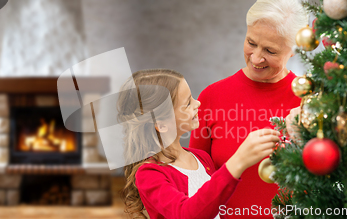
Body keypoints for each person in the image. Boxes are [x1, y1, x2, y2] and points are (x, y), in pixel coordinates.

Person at [189, 0, 308, 218]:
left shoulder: (310, 102)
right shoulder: (212, 97)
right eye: (251, 42)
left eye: (270, 50)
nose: (256, 58)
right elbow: (196, 182)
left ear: (293, 50)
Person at [120, 69, 280, 219]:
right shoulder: (149, 174)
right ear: (161, 124)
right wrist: (238, 161)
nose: (197, 104)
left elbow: (217, 203)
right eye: (187, 103)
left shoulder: (201, 158)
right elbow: (186, 214)